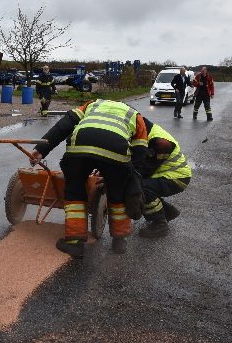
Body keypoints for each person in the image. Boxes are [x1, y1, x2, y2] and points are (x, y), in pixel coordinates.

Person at [29, 99, 148, 257]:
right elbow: (140, 151)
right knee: (118, 194)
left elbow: (64, 125)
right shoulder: (135, 116)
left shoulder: (92, 104)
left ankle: (74, 243)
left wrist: (40, 150)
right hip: (116, 153)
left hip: (80, 147)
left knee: (75, 191)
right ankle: (119, 241)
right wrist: (131, 179)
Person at [136, 117, 192, 238]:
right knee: (140, 184)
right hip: (166, 175)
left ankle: (160, 225)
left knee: (141, 188)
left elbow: (146, 169)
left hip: (177, 178)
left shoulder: (161, 142)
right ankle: (168, 212)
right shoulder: (144, 132)